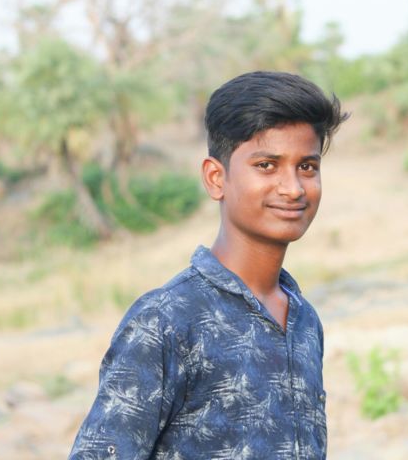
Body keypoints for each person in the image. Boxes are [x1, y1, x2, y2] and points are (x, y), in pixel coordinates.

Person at [68, 71, 348, 460]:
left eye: (307, 167)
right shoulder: (166, 321)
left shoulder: (303, 320)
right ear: (216, 178)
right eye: (267, 165)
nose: (293, 188)